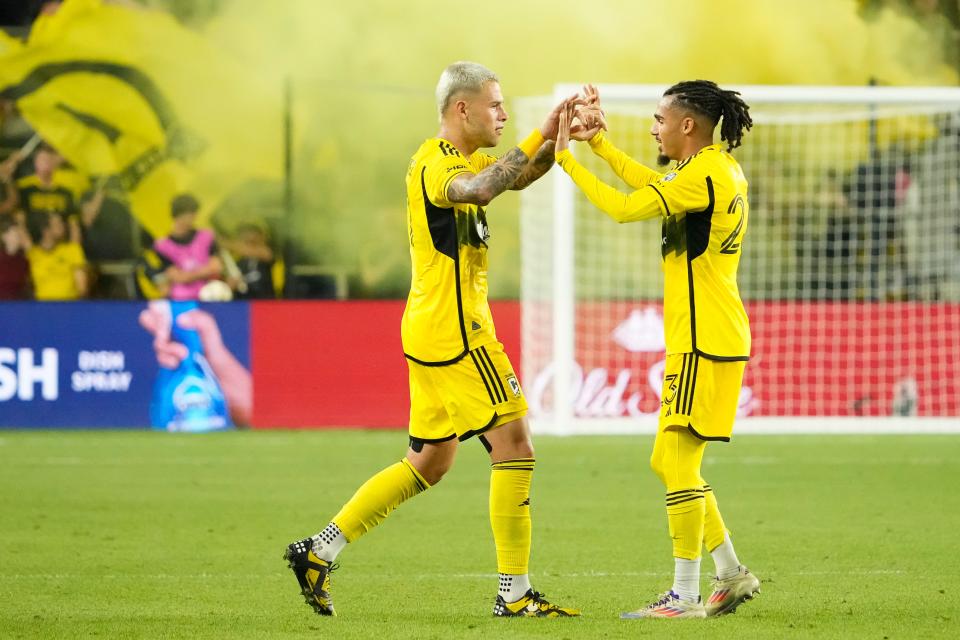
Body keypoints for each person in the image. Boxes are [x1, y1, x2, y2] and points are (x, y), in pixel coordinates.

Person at [283, 61, 582, 619]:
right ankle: (514, 595)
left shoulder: (466, 159)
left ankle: (319, 551)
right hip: (458, 333)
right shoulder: (434, 162)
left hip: (432, 329)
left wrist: (564, 138)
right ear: (462, 109)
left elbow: (517, 173)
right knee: (515, 447)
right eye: (496, 104)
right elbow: (482, 190)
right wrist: (540, 129)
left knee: (429, 462)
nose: (504, 114)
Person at [555, 81, 761, 619]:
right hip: (703, 336)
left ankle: (685, 595)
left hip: (703, 339)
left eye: (658, 119)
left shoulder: (708, 174)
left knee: (674, 459)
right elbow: (650, 183)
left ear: (686, 125)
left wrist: (567, 162)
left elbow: (626, 208)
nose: (653, 128)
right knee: (671, 462)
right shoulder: (709, 170)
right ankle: (731, 572)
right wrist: (599, 147)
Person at [152, 193, 224, 300]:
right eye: (189, 214)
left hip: (210, 296)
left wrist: (188, 275)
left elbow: (216, 267)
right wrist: (204, 271)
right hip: (181, 300)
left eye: (194, 213)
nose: (194, 217)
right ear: (177, 215)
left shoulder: (207, 236)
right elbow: (178, 277)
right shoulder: (162, 246)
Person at [24, 209, 88, 300]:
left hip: (68, 306)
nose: (63, 226)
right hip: (40, 308)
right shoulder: (33, 253)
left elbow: (82, 288)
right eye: (58, 224)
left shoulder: (72, 250)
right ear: (45, 230)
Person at [0, 214, 31, 299]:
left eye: (19, 235)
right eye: (15, 234)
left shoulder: (24, 261)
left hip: (18, 306)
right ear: (4, 236)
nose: (18, 237)